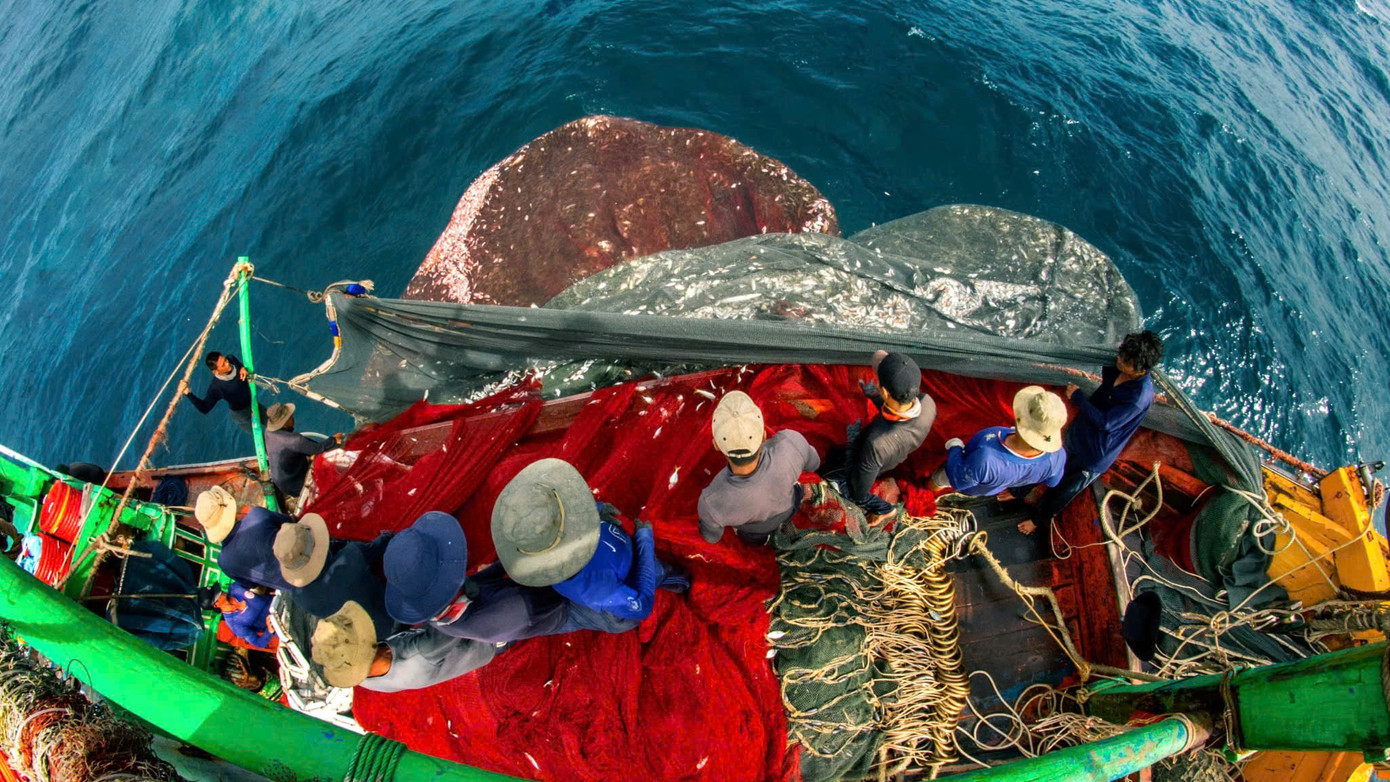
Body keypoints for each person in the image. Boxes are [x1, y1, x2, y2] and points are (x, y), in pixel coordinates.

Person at [492, 458, 690, 634]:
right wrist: (644, 542)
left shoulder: (542, 548)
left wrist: (598, 511)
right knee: (662, 573)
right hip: (626, 581)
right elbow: (642, 606)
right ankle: (682, 584)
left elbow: (561, 517)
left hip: (612, 553)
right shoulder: (598, 587)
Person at [1021, 331, 1164, 535]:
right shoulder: (1116, 367)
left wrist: (1078, 397)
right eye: (1121, 355)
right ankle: (1021, 490)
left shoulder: (1138, 397)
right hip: (1079, 433)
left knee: (1064, 490)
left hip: (1095, 454)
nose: (1119, 360)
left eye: (1125, 360)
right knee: (1047, 462)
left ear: (1140, 370)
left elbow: (1107, 423)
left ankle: (1038, 520)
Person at [383, 511, 573, 644]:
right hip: (560, 607)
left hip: (519, 594)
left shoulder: (437, 605)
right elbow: (562, 589)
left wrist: (518, 553)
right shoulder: (506, 611)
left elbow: (485, 576)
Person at [698, 391, 820, 545]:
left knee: (752, 539)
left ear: (716, 445)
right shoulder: (790, 443)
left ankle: (763, 542)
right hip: (790, 508)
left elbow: (711, 537)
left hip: (753, 531)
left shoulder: (711, 501)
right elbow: (814, 463)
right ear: (763, 435)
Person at [834, 351, 937, 523]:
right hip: (898, 451)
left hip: (871, 461)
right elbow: (900, 406)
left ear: (885, 392)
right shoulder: (928, 403)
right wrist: (875, 396)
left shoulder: (876, 443)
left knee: (850, 489)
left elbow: (860, 490)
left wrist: (851, 444)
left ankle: (885, 509)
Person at [311, 601, 498, 692]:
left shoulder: (363, 677)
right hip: (485, 641)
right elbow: (456, 619)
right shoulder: (420, 653)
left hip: (436, 644)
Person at [930, 385, 1068, 499]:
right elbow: (1052, 482)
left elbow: (957, 479)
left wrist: (955, 447)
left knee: (940, 478)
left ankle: (927, 490)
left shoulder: (986, 459)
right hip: (989, 487)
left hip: (968, 475)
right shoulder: (1058, 456)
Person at [195, 486, 295, 591]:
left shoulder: (224, 562)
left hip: (296, 588)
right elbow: (291, 521)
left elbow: (252, 585)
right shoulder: (257, 514)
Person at [263, 403, 344, 499]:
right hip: (295, 484)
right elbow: (318, 449)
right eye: (290, 417)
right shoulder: (295, 440)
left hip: (280, 479)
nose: (293, 418)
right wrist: (334, 439)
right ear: (284, 424)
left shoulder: (268, 432)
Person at [179, 352, 263, 432]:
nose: (227, 364)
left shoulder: (231, 359)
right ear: (215, 372)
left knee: (272, 421)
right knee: (261, 437)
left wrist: (242, 368)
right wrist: (188, 393)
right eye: (223, 365)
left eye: (225, 360)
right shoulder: (216, 387)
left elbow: (235, 362)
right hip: (242, 414)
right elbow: (205, 408)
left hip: (252, 402)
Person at [214, 580, 276, 649]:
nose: (221, 591)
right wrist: (269, 630)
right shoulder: (235, 625)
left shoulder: (235, 587)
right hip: (278, 624)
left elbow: (257, 578)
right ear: (216, 605)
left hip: (281, 602)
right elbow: (259, 643)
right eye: (217, 593)